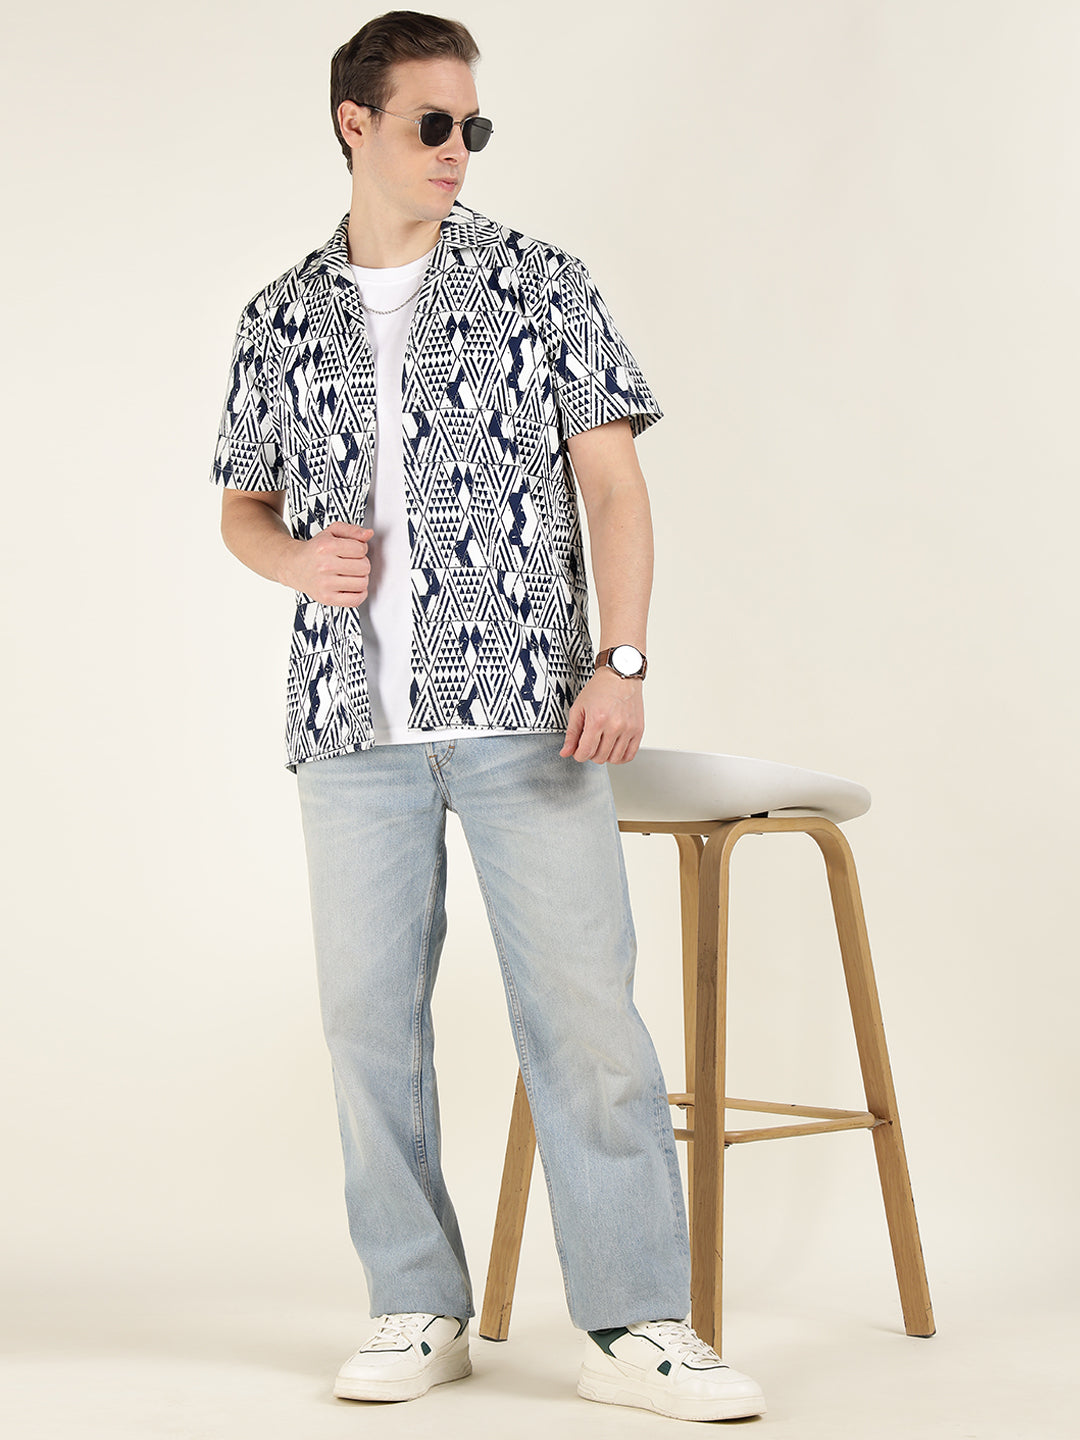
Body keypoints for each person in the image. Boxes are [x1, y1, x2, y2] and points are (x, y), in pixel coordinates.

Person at [209, 9, 765, 1424]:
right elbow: (243, 510)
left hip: (533, 712)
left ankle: (636, 1323)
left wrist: (621, 661)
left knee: (584, 1017)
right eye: (433, 124)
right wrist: (295, 562)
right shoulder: (280, 313)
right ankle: (416, 1305)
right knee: (365, 1028)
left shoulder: (539, 282)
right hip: (349, 727)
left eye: (475, 126)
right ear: (357, 124)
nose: (459, 149)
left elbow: (614, 485)